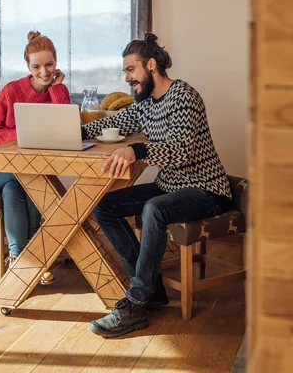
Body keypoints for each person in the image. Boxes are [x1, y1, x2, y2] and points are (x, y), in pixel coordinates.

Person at [82, 33, 232, 337]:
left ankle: (136, 303)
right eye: (125, 71)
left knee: (153, 209)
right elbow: (113, 124)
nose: (126, 78)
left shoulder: (183, 95)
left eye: (130, 70)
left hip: (205, 188)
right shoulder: (145, 104)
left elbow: (182, 150)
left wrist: (136, 150)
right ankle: (152, 290)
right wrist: (73, 129)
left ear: (151, 65)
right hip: (170, 186)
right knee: (105, 206)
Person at [0, 31, 70, 283]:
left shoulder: (58, 91)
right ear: (28, 66)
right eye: (37, 66)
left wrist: (57, 90)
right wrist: (23, 135)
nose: (44, 72)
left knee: (20, 183)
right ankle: (31, 258)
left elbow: (63, 128)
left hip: (28, 169)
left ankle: (24, 258)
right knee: (25, 178)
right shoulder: (11, 91)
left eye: (49, 64)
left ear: (56, 62)